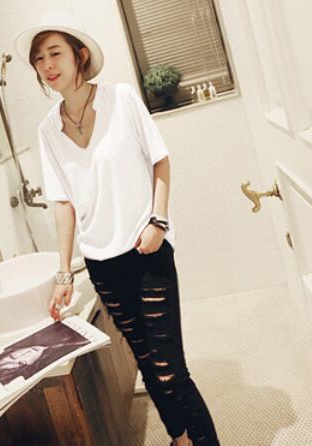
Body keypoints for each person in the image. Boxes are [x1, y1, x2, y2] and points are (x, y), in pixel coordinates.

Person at [14, 10, 220, 446]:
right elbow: (63, 203)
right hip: (102, 264)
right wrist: (64, 273)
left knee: (170, 368)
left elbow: (160, 160)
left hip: (147, 250)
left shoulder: (121, 98)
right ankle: (180, 439)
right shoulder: (48, 130)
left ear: (79, 55)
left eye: (55, 53)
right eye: (39, 59)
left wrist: (158, 221)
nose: (47, 65)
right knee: (146, 363)